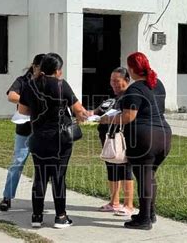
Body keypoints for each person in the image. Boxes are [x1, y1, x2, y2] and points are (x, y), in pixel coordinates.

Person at [100, 52, 172, 230]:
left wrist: (106, 119)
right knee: (149, 176)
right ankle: (149, 214)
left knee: (144, 177)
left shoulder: (135, 89)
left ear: (131, 69)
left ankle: (145, 220)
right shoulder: (157, 84)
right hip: (164, 135)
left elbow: (128, 116)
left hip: (144, 138)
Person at [18, 53, 88, 229]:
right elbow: (78, 109)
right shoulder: (61, 85)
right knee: (58, 177)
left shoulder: (30, 85)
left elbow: (23, 111)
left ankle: (36, 216)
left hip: (38, 138)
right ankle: (60, 216)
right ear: (57, 70)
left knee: (40, 176)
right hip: (60, 139)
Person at [0, 54, 46, 211]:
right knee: (17, 162)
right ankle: (7, 196)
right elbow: (11, 95)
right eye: (41, 67)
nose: (43, 71)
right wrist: (28, 100)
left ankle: (38, 201)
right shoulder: (23, 80)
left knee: (42, 166)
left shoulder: (48, 82)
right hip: (24, 129)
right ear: (34, 66)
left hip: (42, 130)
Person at [93, 67, 134, 216]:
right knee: (111, 166)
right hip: (108, 139)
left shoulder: (131, 98)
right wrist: (87, 114)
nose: (114, 85)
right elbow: (96, 112)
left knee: (125, 169)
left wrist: (108, 119)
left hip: (122, 139)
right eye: (112, 81)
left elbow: (129, 117)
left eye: (117, 81)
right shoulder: (111, 100)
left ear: (127, 80)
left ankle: (128, 204)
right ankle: (114, 202)